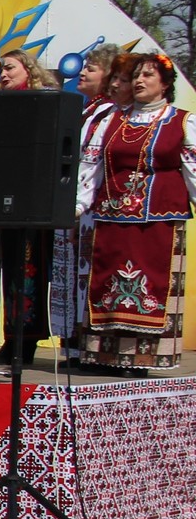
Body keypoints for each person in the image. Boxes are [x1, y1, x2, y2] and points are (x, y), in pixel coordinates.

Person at [76, 51, 195, 373]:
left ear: (166, 84)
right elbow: (91, 166)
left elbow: (193, 170)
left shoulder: (182, 121)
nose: (139, 81)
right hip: (111, 217)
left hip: (160, 219)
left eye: (148, 76)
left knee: (152, 287)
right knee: (107, 286)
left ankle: (142, 358)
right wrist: (78, 203)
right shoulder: (112, 120)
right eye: (137, 76)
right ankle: (104, 357)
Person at [0, 50, 61, 364]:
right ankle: (13, 337)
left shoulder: (41, 102)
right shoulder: (0, 105)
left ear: (29, 70)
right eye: (2, 71)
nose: (4, 75)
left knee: (30, 270)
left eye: (10, 69)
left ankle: (27, 340)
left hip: (35, 201)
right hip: (6, 199)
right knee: (11, 272)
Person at [55, 46, 124, 358]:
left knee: (88, 274)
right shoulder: (89, 110)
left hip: (95, 205)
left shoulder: (111, 114)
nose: (82, 73)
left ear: (109, 76)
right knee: (71, 275)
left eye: (92, 69)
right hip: (75, 201)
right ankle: (72, 343)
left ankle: (86, 344)